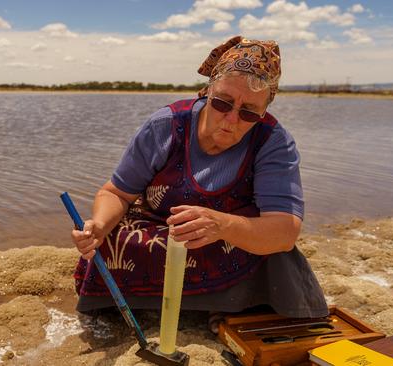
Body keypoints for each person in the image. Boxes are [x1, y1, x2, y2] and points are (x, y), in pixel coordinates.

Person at [70, 35, 328, 333]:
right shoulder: (165, 125)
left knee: (275, 254)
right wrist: (99, 226)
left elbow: (284, 230)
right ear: (207, 91)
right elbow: (116, 192)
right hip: (160, 230)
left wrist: (221, 225)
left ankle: (225, 304)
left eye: (248, 112)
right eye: (222, 103)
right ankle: (209, 306)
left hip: (230, 241)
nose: (231, 120)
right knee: (114, 238)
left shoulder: (273, 142)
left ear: (263, 111)